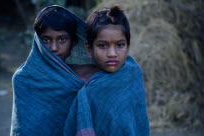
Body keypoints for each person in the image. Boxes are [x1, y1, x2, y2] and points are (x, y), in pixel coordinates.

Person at [63, 4, 150, 136]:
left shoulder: (133, 74)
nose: (112, 53)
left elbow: (138, 121)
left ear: (128, 46)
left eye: (120, 45)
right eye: (102, 45)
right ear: (89, 49)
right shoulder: (89, 90)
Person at [10, 5, 96, 136]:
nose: (54, 48)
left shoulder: (90, 75)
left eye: (62, 39)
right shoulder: (24, 79)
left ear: (73, 42)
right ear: (38, 41)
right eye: (46, 39)